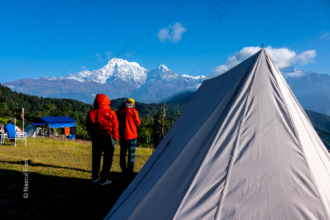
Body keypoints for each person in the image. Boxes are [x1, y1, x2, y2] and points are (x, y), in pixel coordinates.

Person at [86, 94, 119, 185]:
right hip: (108, 138)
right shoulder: (111, 113)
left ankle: (95, 177)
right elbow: (115, 126)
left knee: (96, 158)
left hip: (96, 139)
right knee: (107, 160)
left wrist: (92, 134)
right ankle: (103, 179)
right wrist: (115, 136)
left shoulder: (91, 113)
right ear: (107, 101)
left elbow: (88, 126)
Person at [117, 98, 141, 175]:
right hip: (132, 136)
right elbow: (137, 122)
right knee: (131, 154)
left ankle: (123, 169)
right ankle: (130, 170)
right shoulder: (134, 111)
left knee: (122, 153)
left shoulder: (119, 112)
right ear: (133, 104)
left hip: (122, 136)